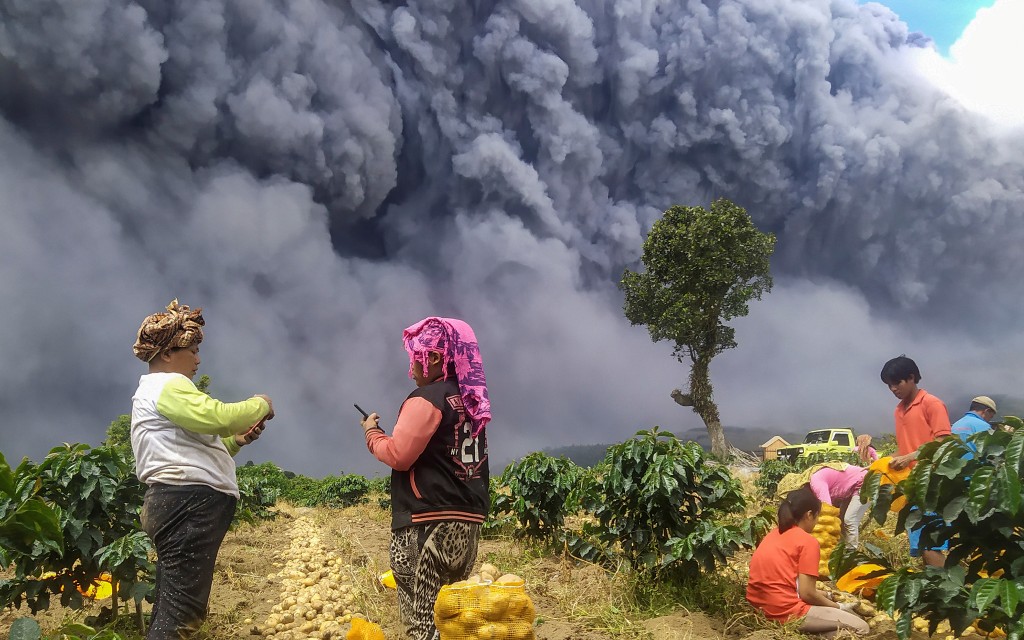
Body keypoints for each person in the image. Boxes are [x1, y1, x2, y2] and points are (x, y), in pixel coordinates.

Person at [131, 300, 274, 639]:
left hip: (175, 502)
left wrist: (235, 442)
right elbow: (218, 417)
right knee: (180, 614)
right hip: (186, 504)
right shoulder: (168, 385)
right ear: (167, 353)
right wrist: (261, 404)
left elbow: (198, 447)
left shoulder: (153, 393)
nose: (197, 359)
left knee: (174, 605)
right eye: (192, 350)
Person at [359, 317, 491, 640]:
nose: (412, 370)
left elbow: (399, 455)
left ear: (432, 358)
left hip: (426, 524)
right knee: (452, 619)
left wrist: (372, 433)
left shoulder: (426, 399)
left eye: (414, 359)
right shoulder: (473, 403)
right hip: (468, 524)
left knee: (423, 623)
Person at [857, 355, 951, 567]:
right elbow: (905, 448)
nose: (893, 389)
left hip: (932, 483)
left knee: (931, 543)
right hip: (910, 485)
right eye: (889, 385)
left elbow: (943, 442)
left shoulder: (932, 404)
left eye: (897, 383)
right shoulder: (899, 411)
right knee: (919, 542)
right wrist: (877, 461)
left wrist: (911, 457)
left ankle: (942, 593)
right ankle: (933, 588)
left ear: (911, 378)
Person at [747, 486, 869, 637]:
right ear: (809, 514)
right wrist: (838, 606)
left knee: (839, 627)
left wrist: (827, 595)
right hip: (784, 611)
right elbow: (807, 593)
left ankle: (814, 632)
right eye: (817, 516)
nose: (817, 522)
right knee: (861, 627)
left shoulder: (773, 534)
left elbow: (789, 582)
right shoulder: (807, 542)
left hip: (759, 608)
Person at [808, 465, 870, 547]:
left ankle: (851, 554)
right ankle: (840, 549)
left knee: (850, 519)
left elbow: (828, 510)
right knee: (841, 520)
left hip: (865, 483)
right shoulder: (815, 482)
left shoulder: (816, 483)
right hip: (851, 487)